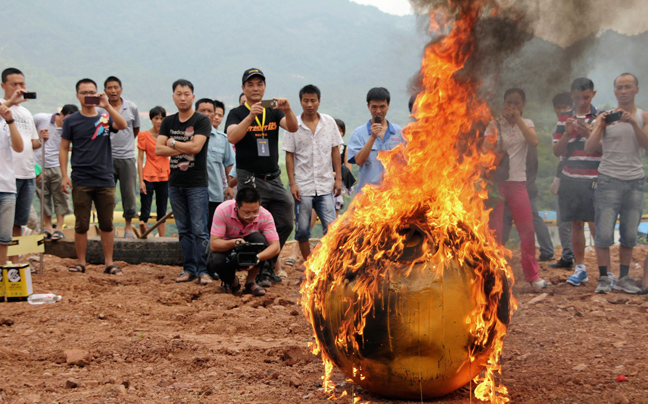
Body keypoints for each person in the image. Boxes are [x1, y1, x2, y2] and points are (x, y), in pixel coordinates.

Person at [225, 68, 298, 287]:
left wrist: (288, 109)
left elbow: (293, 128)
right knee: (254, 225)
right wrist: (250, 116)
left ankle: (267, 266)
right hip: (249, 178)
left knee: (285, 219)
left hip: (273, 177)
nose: (255, 88)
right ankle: (256, 275)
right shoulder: (237, 112)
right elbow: (232, 136)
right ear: (243, 89)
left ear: (265, 87)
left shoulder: (274, 111)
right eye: (250, 84)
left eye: (259, 84)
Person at [585, 73, 647, 294]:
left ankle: (624, 278)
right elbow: (589, 148)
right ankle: (603, 278)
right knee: (603, 233)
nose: (623, 91)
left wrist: (632, 123)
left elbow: (646, 145)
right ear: (614, 91)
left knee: (629, 234)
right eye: (619, 87)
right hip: (608, 180)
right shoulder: (605, 117)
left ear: (636, 90)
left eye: (628, 86)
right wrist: (600, 125)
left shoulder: (643, 116)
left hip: (634, 181)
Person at [60, 78, 128, 275]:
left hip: (105, 177)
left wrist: (106, 105)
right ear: (77, 96)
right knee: (81, 223)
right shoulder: (71, 121)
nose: (88, 96)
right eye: (84, 93)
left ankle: (109, 262)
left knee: (106, 223)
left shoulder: (104, 117)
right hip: (81, 178)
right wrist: (65, 175)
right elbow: (64, 148)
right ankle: (81, 262)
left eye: (92, 92)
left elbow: (122, 125)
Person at [489, 88, 547, 290]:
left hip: (518, 183)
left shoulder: (527, 123)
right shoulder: (495, 124)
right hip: (498, 184)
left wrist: (518, 120)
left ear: (523, 105)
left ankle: (532, 275)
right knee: (495, 231)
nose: (512, 106)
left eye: (516, 103)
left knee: (527, 231)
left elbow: (534, 141)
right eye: (509, 102)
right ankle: (494, 273)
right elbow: (485, 152)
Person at [155, 79, 212, 285]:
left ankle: (204, 270)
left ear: (193, 97)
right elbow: (158, 149)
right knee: (183, 229)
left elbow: (196, 148)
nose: (182, 97)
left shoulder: (201, 121)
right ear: (173, 97)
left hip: (196, 183)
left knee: (199, 229)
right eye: (178, 94)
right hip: (175, 183)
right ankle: (188, 269)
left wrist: (171, 142)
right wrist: (183, 146)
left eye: (186, 94)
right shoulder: (168, 121)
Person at [553, 78, 603, 288]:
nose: (582, 101)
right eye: (577, 97)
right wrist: (567, 133)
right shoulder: (564, 118)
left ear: (593, 94)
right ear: (571, 95)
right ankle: (580, 268)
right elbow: (557, 150)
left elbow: (606, 150)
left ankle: (604, 271)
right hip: (571, 177)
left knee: (596, 225)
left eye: (586, 97)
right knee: (576, 223)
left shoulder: (602, 117)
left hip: (595, 178)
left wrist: (588, 134)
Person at [284, 84, 342, 262]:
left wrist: (338, 178)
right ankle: (309, 264)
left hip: (325, 185)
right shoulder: (293, 125)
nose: (309, 104)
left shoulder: (329, 122)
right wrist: (292, 183)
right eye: (306, 100)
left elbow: (335, 151)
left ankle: (328, 263)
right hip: (303, 186)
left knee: (332, 229)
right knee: (302, 230)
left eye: (313, 100)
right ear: (301, 101)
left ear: (319, 101)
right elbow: (289, 155)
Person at [1, 68, 45, 263]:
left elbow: (30, 143)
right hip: (8, 175)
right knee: (5, 223)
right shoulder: (2, 106)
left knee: (19, 221)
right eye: (14, 84)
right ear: (3, 86)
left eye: (22, 84)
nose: (19, 89)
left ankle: (14, 260)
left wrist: (42, 140)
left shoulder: (26, 113)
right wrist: (9, 104)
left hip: (27, 172)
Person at [207, 186, 280, 296]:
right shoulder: (223, 210)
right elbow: (214, 244)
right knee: (217, 261)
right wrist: (234, 243)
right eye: (247, 212)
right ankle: (232, 282)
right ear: (236, 206)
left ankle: (251, 282)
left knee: (260, 240)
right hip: (227, 245)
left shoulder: (265, 215)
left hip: (249, 246)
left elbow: (275, 246)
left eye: (255, 211)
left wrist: (257, 258)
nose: (251, 216)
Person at [501, 132, 555, 262]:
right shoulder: (527, 144)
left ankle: (547, 250)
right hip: (521, 187)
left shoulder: (525, 146)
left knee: (529, 217)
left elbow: (528, 169)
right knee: (508, 217)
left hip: (523, 187)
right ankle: (500, 249)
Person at [101, 76, 140, 238]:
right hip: (106, 158)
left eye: (115, 87)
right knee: (107, 194)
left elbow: (135, 129)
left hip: (127, 157)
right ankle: (108, 226)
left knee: (129, 193)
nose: (113, 90)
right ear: (105, 91)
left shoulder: (131, 108)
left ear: (121, 89)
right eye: (109, 88)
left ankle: (128, 228)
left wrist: (127, 143)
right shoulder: (100, 110)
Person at [347, 87, 405, 194]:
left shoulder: (399, 132)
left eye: (382, 106)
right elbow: (359, 161)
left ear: (388, 106)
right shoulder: (359, 133)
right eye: (374, 107)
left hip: (393, 195)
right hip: (367, 196)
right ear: (368, 106)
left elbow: (407, 163)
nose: (378, 111)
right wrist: (372, 137)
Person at [33, 105, 78, 240]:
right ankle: (47, 227)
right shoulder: (41, 118)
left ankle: (59, 227)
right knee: (43, 196)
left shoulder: (71, 127)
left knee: (60, 196)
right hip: (39, 165)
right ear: (61, 114)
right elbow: (29, 132)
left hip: (57, 165)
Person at [196, 98, 235, 228]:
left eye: (210, 111)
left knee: (213, 230)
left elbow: (230, 165)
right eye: (202, 111)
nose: (207, 114)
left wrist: (230, 186)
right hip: (193, 194)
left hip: (215, 194)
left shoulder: (222, 139)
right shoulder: (188, 136)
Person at [548, 92, 575, 270]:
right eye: (558, 107)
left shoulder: (580, 124)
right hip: (564, 176)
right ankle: (567, 256)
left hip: (579, 177)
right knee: (563, 221)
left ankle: (603, 267)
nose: (561, 111)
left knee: (582, 222)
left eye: (565, 107)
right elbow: (558, 154)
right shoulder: (557, 129)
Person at [137, 106, 170, 237]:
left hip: (165, 176)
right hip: (148, 175)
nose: (159, 121)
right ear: (151, 119)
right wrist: (141, 181)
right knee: (145, 209)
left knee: (162, 210)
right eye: (156, 118)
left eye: (162, 118)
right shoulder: (144, 136)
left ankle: (162, 239)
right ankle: (143, 234)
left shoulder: (168, 137)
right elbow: (140, 160)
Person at [0, 105, 24, 265]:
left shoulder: (4, 124)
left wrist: (10, 121)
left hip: (6, 186)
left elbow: (19, 146)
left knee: (4, 237)